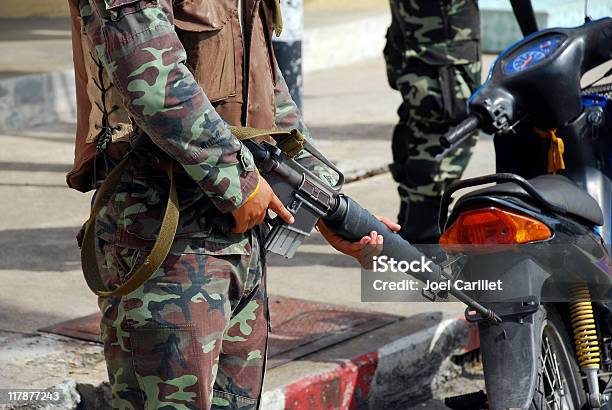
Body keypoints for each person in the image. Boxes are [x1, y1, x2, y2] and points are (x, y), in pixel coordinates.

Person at [66, 0, 398, 408]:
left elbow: (266, 89)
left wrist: (321, 199)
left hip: (239, 239)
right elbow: (153, 78)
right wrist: (238, 181)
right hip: (165, 240)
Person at [384, 0, 482, 244]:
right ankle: (423, 237)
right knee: (445, 131)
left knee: (421, 127)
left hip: (428, 47)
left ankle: (411, 229)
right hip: (442, 51)